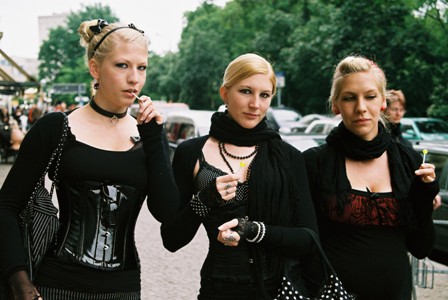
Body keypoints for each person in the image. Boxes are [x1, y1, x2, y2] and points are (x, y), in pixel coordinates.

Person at [0, 18, 178, 300]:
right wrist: (19, 281)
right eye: (122, 65)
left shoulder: (148, 137)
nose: (134, 78)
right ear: (95, 68)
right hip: (57, 285)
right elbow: (6, 207)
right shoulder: (57, 128)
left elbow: (167, 214)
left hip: (123, 289)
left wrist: (155, 138)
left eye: (141, 67)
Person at [161, 53, 318, 299]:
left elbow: (308, 239)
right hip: (218, 289)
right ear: (225, 93)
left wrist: (253, 230)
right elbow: (171, 239)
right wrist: (205, 199)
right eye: (246, 91)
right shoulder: (191, 152)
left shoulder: (289, 157)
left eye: (264, 95)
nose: (255, 104)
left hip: (277, 290)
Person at [302, 55, 439, 300]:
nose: (361, 107)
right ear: (336, 105)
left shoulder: (409, 161)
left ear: (383, 102)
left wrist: (424, 197)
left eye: (370, 96)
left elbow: (421, 247)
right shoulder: (314, 163)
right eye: (349, 98)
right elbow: (302, 244)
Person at [385, 89, 442, 210]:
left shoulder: (403, 141)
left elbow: (415, 170)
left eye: (401, 110)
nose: (399, 113)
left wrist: (430, 190)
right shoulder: (381, 139)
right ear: (384, 109)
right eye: (395, 109)